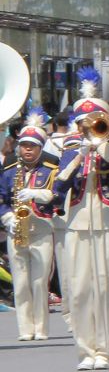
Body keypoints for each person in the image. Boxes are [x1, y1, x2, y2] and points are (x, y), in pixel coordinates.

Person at [52, 73, 109, 370]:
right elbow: (59, 186)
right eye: (83, 123)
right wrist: (79, 157)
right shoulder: (70, 150)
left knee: (105, 288)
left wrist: (104, 148)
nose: (89, 128)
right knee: (79, 289)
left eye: (95, 122)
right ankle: (85, 352)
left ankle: (105, 352)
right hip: (77, 224)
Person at [0, 109, 58, 341]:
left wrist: (37, 194)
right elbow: (2, 199)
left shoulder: (51, 170)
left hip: (41, 228)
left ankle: (41, 327)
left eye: (32, 146)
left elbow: (58, 196)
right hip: (16, 229)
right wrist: (7, 218)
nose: (27, 149)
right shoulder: (9, 171)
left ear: (40, 148)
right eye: (24, 145)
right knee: (21, 282)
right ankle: (25, 328)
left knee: (39, 281)